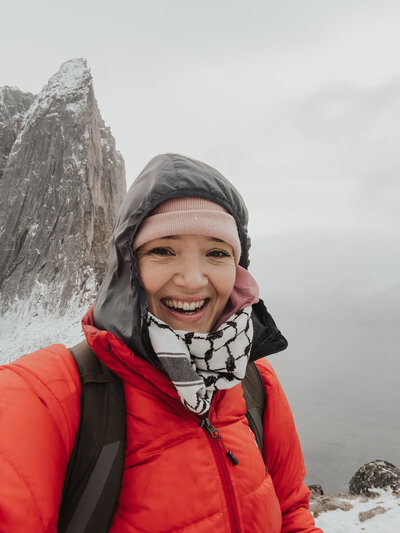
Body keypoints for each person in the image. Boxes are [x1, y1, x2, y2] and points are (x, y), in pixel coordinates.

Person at [0, 153, 322, 532]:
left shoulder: (254, 381)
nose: (192, 280)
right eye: (163, 250)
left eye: (216, 252)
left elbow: (291, 513)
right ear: (128, 269)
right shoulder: (46, 397)